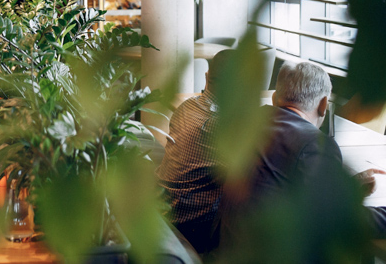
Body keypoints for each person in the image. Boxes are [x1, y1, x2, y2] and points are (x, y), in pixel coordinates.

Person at [219, 61, 386, 259]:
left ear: (274, 97)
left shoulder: (247, 126)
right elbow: (339, 222)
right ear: (324, 105)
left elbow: (275, 183)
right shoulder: (315, 144)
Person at [156, 49, 236, 254]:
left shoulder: (186, 106)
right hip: (194, 226)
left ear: (207, 76)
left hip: (165, 209)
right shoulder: (223, 127)